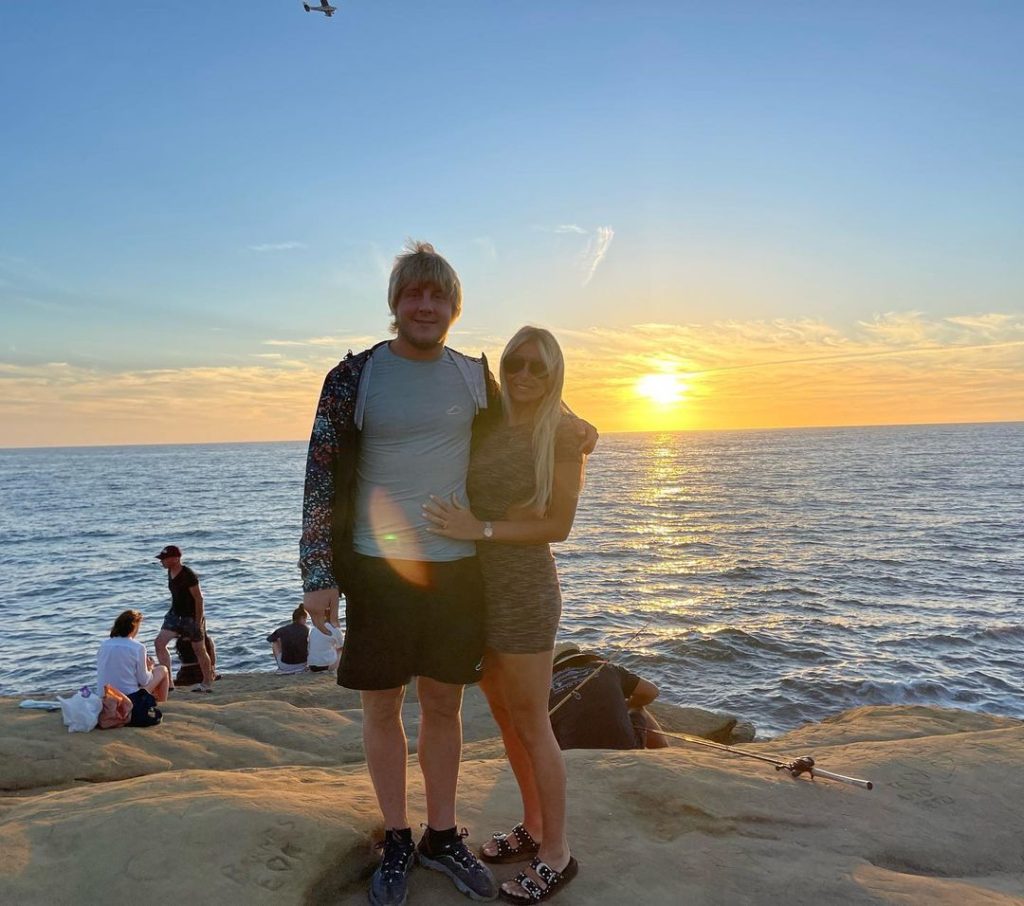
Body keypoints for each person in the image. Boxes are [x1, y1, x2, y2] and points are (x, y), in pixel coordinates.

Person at [300, 241, 506, 906]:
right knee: (382, 705)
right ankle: (397, 836)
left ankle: (441, 836)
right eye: (414, 294)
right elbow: (321, 472)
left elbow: (517, 440)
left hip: (456, 571)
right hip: (379, 572)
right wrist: (318, 572)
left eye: (438, 295)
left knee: (444, 706)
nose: (426, 305)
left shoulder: (475, 376)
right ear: (396, 304)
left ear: (453, 306)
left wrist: (575, 427)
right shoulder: (354, 377)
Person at [423, 326, 584, 903]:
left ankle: (557, 854)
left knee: (533, 721)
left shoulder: (561, 434)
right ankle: (534, 825)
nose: (523, 375)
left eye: (538, 368)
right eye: (515, 362)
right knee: (505, 715)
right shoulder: (488, 420)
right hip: (477, 590)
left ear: (554, 374)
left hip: (524, 593)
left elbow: (558, 526)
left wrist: (481, 529)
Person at [547, 644, 667, 751]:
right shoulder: (607, 668)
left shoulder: (545, 686)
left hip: (570, 753)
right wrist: (629, 705)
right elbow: (652, 692)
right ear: (581, 657)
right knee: (638, 707)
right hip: (626, 748)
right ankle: (664, 753)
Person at [153, 545, 215, 694]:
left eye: (164, 559)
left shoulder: (188, 575)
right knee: (159, 643)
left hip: (191, 617)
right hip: (174, 615)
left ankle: (207, 682)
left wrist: (198, 621)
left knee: (199, 649)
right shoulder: (169, 571)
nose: (162, 562)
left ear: (175, 559)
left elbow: (199, 599)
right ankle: (169, 683)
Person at [97, 609, 171, 708]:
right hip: (129, 699)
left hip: (106, 696)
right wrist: (149, 667)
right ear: (134, 627)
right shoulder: (138, 647)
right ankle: (162, 705)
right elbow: (144, 680)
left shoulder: (104, 644)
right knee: (162, 670)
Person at [268, 606, 310, 674]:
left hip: (285, 667)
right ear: (302, 618)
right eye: (306, 619)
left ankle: (281, 667)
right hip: (302, 665)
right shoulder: (306, 629)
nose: (305, 622)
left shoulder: (283, 629)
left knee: (275, 642)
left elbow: (270, 638)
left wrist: (282, 641)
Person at [307, 606, 343, 672]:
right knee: (341, 651)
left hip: (312, 665)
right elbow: (341, 647)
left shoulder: (314, 628)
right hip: (326, 665)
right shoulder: (335, 630)